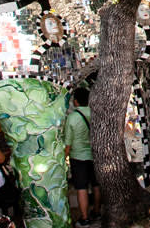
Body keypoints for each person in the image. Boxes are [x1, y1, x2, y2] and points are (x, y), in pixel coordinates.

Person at [64, 88, 100, 227]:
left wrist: (64, 157)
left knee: (81, 187)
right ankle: (97, 211)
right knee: (96, 185)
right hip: (95, 155)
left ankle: (84, 219)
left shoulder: (72, 117)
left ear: (76, 101)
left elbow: (68, 143)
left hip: (78, 157)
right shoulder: (95, 113)